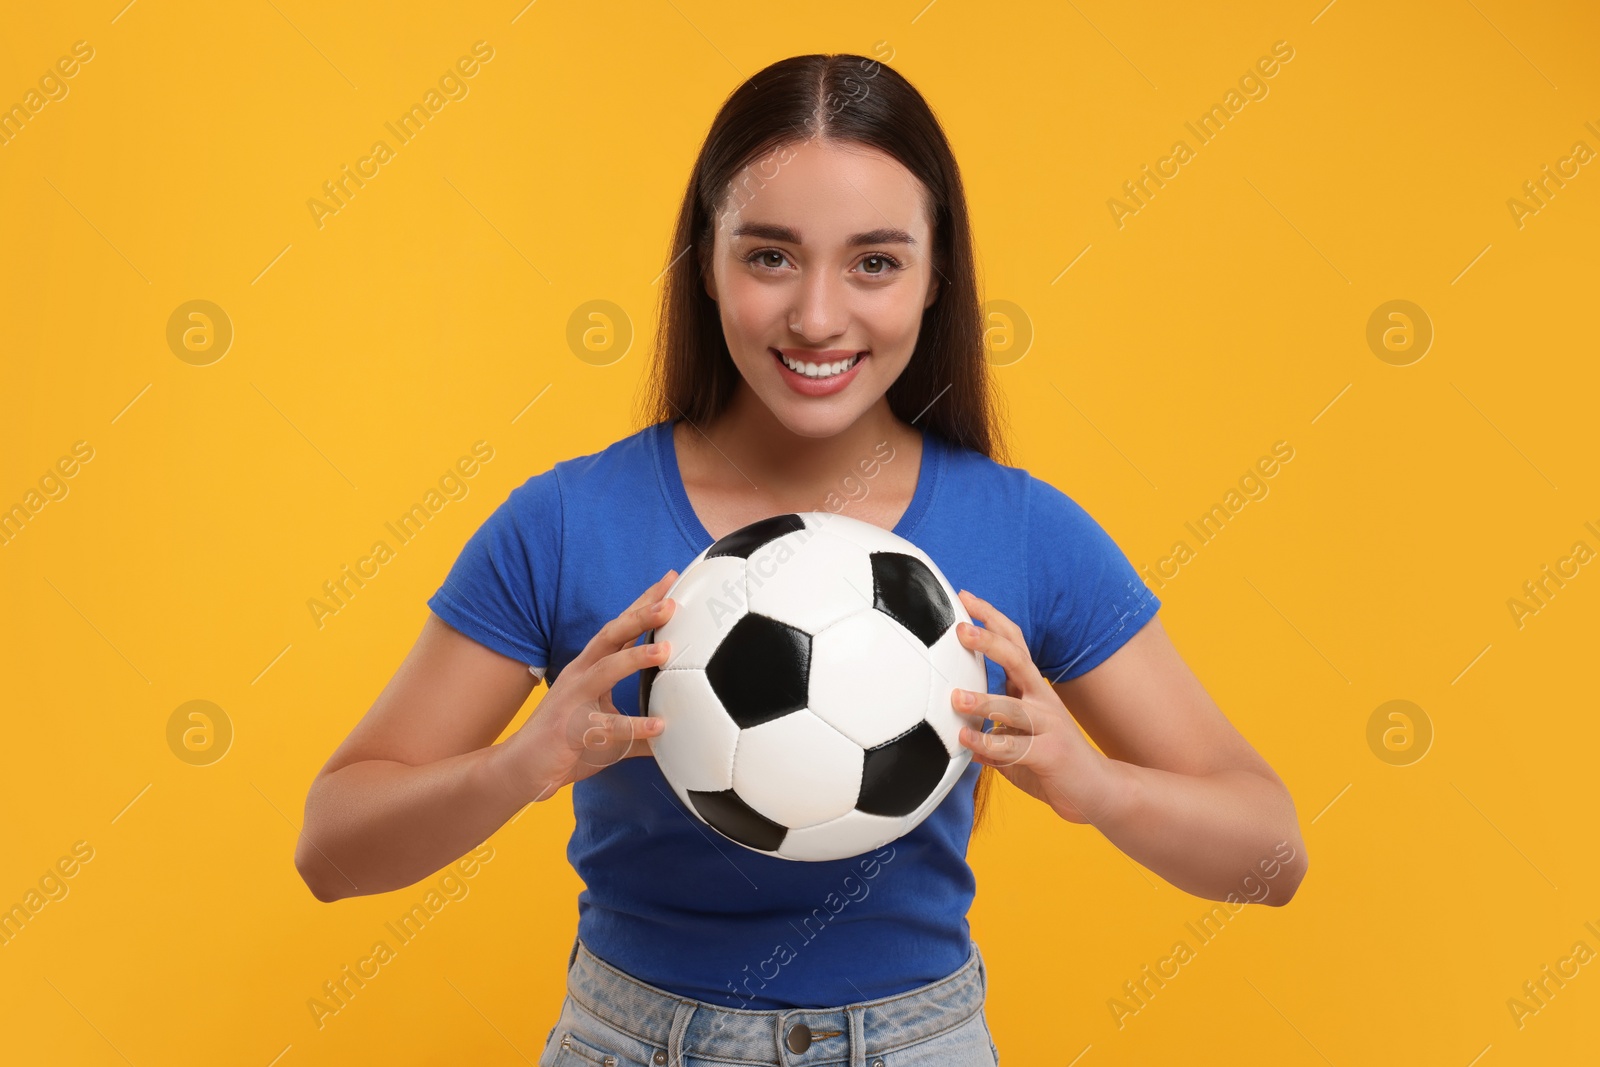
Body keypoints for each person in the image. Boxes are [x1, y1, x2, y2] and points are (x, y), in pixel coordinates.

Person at [295, 53, 1307, 1066]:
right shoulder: (567, 521)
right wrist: (524, 763)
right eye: (770, 256)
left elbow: (1270, 852)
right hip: (631, 1040)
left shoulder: (1025, 531)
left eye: (875, 261)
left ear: (935, 274)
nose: (817, 317)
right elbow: (332, 848)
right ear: (704, 260)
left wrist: (1097, 787)